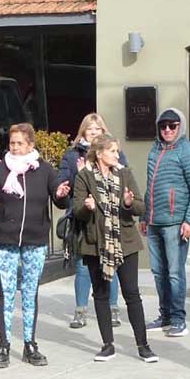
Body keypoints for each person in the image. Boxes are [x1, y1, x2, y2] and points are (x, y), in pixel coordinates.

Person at [0, 123, 71, 369]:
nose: (14, 147)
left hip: (35, 238)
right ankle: (4, 345)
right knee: (7, 289)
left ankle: (29, 344)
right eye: (12, 143)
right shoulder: (0, 168)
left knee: (29, 291)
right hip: (6, 237)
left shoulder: (45, 169)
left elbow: (61, 201)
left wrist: (60, 193)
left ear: (30, 145)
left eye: (19, 143)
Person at [72, 134, 158, 364]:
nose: (116, 154)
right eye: (112, 151)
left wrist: (128, 204)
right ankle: (107, 345)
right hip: (95, 244)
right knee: (100, 294)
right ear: (99, 153)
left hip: (125, 242)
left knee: (131, 293)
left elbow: (140, 205)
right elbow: (77, 209)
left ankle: (143, 345)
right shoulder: (84, 177)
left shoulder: (124, 173)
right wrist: (87, 207)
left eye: (117, 151)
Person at [143, 108, 190, 337]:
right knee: (158, 272)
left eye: (173, 125)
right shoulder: (154, 150)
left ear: (181, 126)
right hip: (154, 222)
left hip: (175, 222)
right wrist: (145, 216)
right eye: (163, 125)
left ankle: (179, 318)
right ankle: (166, 315)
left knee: (175, 272)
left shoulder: (189, 152)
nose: (168, 130)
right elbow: (150, 186)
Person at [58, 113, 124, 330]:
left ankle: (113, 309)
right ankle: (80, 311)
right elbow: (64, 189)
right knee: (83, 267)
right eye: (89, 129)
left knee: (110, 264)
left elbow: (123, 180)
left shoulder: (115, 153)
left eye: (97, 129)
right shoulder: (71, 156)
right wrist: (80, 176)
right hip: (83, 220)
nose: (94, 132)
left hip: (108, 218)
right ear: (83, 132)